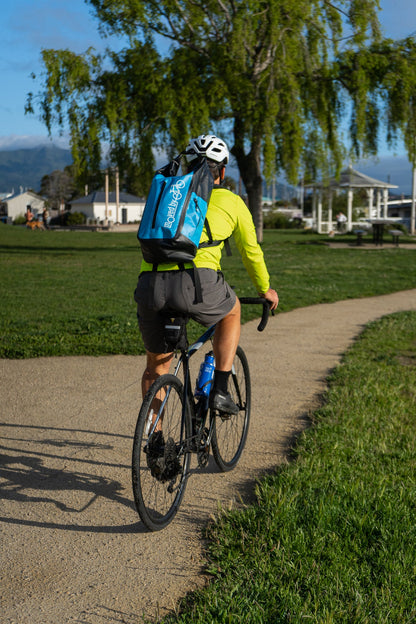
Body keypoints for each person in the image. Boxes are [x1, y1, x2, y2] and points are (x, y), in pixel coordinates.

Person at [134, 134, 279, 415]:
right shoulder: (232, 202)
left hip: (149, 283)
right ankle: (221, 392)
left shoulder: (169, 197)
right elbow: (251, 251)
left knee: (156, 367)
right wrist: (265, 289)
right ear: (221, 171)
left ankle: (155, 441)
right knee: (232, 310)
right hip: (196, 283)